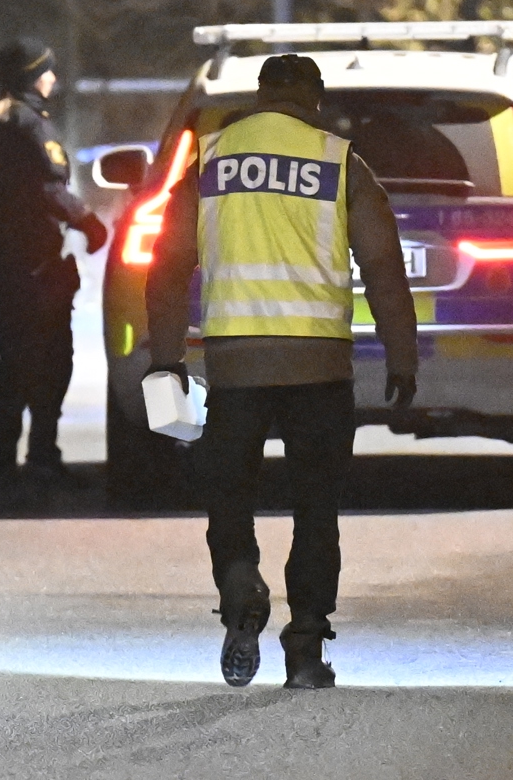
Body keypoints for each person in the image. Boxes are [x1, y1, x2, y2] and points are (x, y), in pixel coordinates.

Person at [145, 54, 418, 690]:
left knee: (229, 494)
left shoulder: (210, 160)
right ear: (314, 100)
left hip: (235, 370)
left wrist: (166, 362)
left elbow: (165, 267)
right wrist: (402, 356)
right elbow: (383, 266)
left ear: (262, 96)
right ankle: (306, 646)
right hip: (319, 369)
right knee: (316, 506)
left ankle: (241, 587)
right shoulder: (338, 160)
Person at [0, 38, 108, 491]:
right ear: (32, 75)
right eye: (48, 71)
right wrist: (89, 224)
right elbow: (50, 187)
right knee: (50, 361)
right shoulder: (27, 124)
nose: (54, 79)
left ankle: (4, 453)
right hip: (36, 270)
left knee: (15, 359)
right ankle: (41, 455)